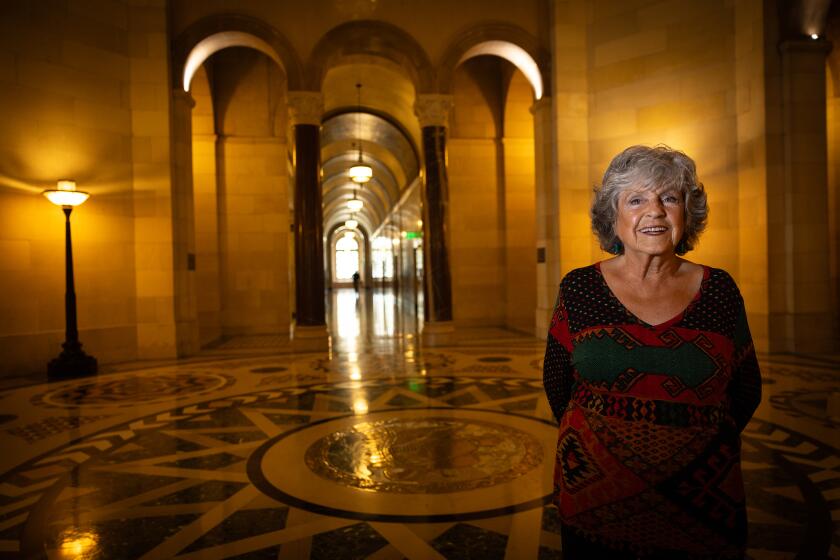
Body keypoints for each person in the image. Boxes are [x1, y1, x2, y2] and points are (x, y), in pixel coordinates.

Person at [543, 145, 761, 559]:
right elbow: (558, 386)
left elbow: (746, 388)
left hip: (701, 507)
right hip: (596, 503)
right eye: (637, 199)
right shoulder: (579, 288)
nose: (655, 211)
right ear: (614, 216)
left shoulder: (720, 289)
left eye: (670, 198)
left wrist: (688, 443)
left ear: (687, 214)